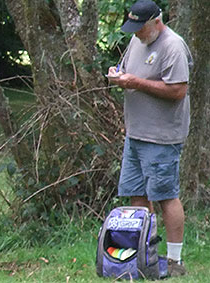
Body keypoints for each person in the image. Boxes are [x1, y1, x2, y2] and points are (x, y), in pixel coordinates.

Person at [107, 0, 192, 277]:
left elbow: (177, 90)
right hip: (135, 133)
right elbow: (128, 71)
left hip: (161, 136)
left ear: (157, 22)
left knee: (166, 195)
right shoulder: (137, 41)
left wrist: (135, 83)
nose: (136, 34)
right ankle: (144, 255)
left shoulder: (172, 45)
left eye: (140, 28)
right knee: (137, 194)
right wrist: (118, 76)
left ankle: (176, 261)